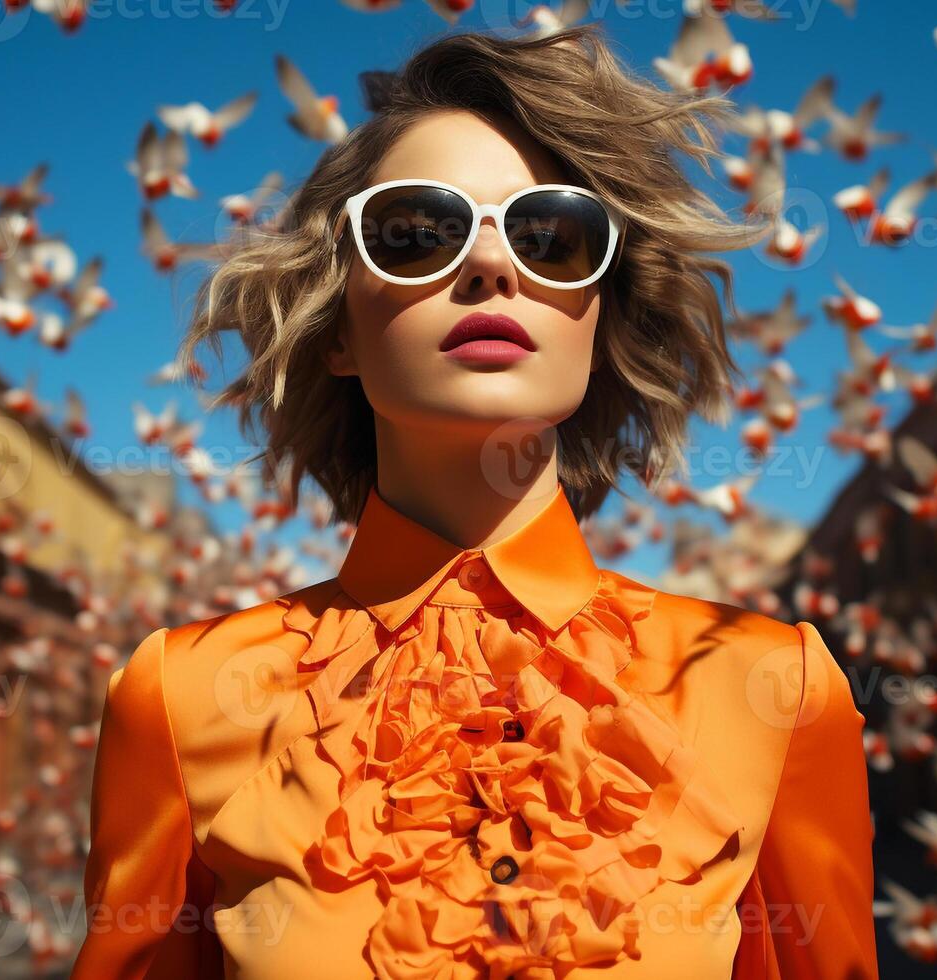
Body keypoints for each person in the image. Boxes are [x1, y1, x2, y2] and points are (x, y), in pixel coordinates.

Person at [73, 25, 876, 980]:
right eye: (416, 232)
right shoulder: (178, 694)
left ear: (601, 314)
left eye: (551, 237)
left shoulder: (775, 689)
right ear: (337, 328)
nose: (492, 267)